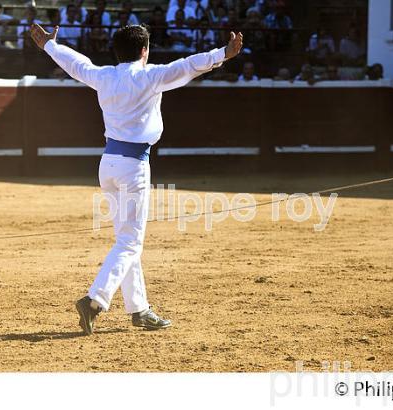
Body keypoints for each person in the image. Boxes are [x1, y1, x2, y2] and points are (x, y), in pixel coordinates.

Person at [29, 23, 243, 334]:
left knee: (126, 240)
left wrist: (50, 46)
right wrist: (222, 54)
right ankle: (94, 300)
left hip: (108, 164)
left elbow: (77, 64)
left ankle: (139, 308)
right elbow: (187, 65)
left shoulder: (104, 76)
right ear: (145, 50)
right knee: (130, 242)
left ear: (117, 51)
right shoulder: (150, 76)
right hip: (133, 166)